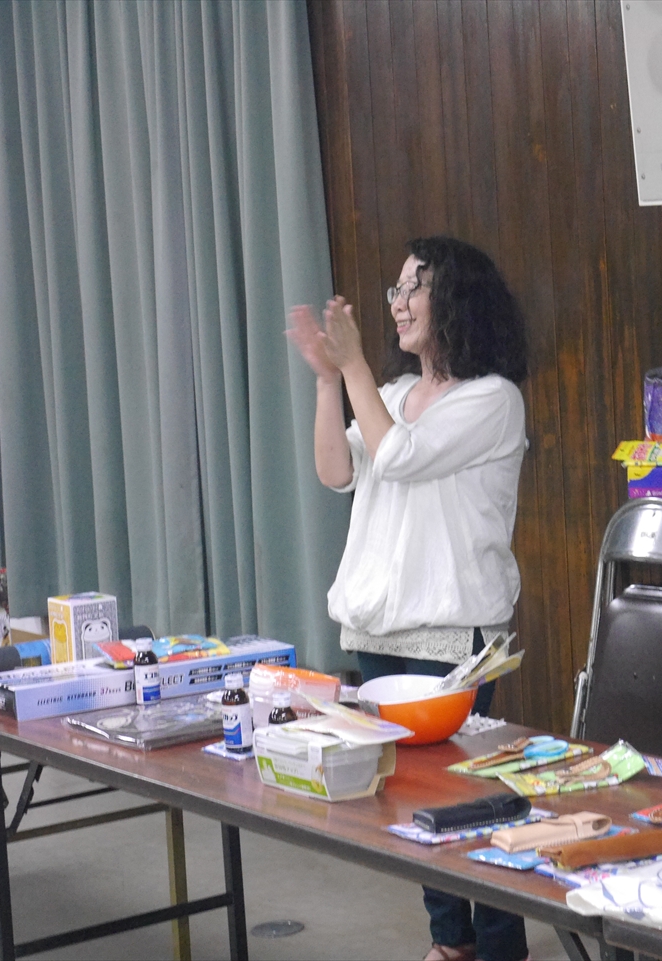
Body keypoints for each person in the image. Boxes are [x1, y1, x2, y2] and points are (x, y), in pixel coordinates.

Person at [287, 236, 529, 961]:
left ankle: (501, 945)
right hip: (380, 630)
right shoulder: (390, 395)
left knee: (469, 795)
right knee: (412, 797)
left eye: (413, 287)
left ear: (455, 298)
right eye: (394, 289)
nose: (397, 302)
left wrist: (356, 366)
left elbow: (401, 455)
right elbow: (336, 471)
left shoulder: (492, 399)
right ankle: (450, 940)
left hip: (454, 633)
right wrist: (329, 380)